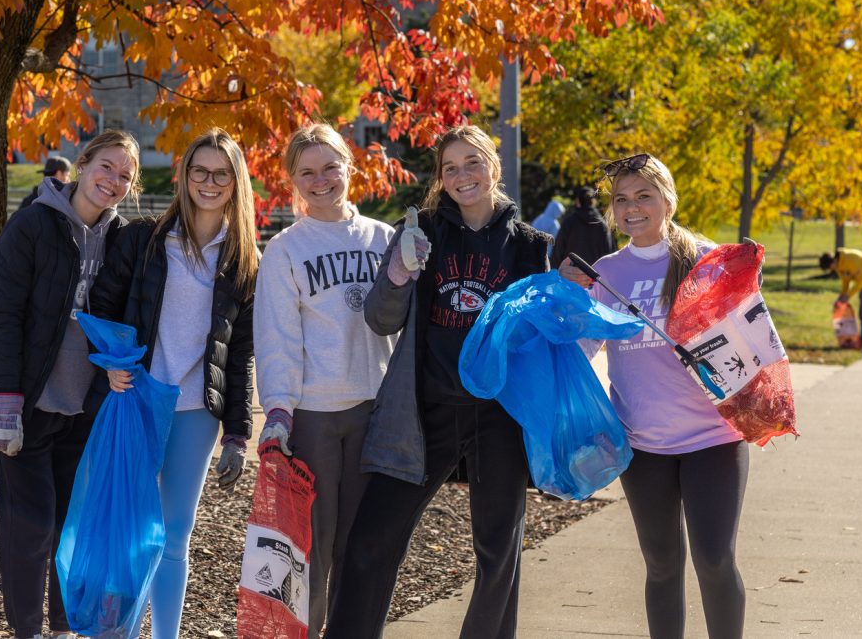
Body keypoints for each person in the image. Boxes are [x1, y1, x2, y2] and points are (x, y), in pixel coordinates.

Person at [325, 125, 552, 639]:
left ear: (494, 166)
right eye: (450, 167)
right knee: (371, 541)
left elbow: (540, 342)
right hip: (425, 412)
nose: (462, 175)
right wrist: (400, 272)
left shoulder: (531, 249)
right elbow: (381, 319)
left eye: (472, 162)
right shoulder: (422, 233)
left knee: (499, 551)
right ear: (441, 179)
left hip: (500, 415)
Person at [560, 152, 748, 639]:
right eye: (621, 199)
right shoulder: (605, 272)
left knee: (714, 558)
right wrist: (561, 302)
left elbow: (749, 337)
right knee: (662, 563)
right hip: (643, 445)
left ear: (667, 200)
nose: (632, 207)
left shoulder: (706, 260)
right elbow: (580, 350)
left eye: (644, 195)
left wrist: (747, 280)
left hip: (714, 437)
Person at [86, 129, 258, 639]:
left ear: (234, 182)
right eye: (198, 171)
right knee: (132, 530)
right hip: (136, 400)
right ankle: (119, 632)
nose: (208, 182)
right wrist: (109, 363)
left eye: (219, 174)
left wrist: (236, 433)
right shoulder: (142, 240)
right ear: (184, 176)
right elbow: (103, 307)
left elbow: (241, 355)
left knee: (174, 534)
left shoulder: (244, 259)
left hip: (195, 411)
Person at [0, 130, 140, 639]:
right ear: (83, 163)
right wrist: (5, 403)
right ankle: (27, 631)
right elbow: (3, 314)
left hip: (84, 407)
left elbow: (124, 318)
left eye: (125, 176)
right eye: (106, 167)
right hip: (28, 404)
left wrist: (117, 365)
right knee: (31, 530)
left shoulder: (120, 240)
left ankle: (64, 628)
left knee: (71, 531)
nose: (112, 181)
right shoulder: (32, 226)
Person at [253, 124, 398, 639]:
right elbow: (277, 339)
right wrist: (278, 412)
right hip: (312, 414)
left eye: (329, 167)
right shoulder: (285, 250)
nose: (321, 180)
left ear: (350, 167)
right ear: (292, 180)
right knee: (309, 548)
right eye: (306, 172)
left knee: (361, 547)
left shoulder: (385, 238)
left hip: (374, 411)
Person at [820, 248, 862, 355]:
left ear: (832, 262)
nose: (831, 269)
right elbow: (846, 281)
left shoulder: (849, 260)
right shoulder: (839, 265)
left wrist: (848, 296)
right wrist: (842, 296)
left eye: (829, 267)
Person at [549, 185, 616, 268]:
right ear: (593, 201)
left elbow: (558, 251)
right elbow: (609, 253)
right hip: (595, 276)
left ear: (578, 201)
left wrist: (554, 273)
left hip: (570, 275)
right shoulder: (602, 225)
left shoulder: (569, 222)